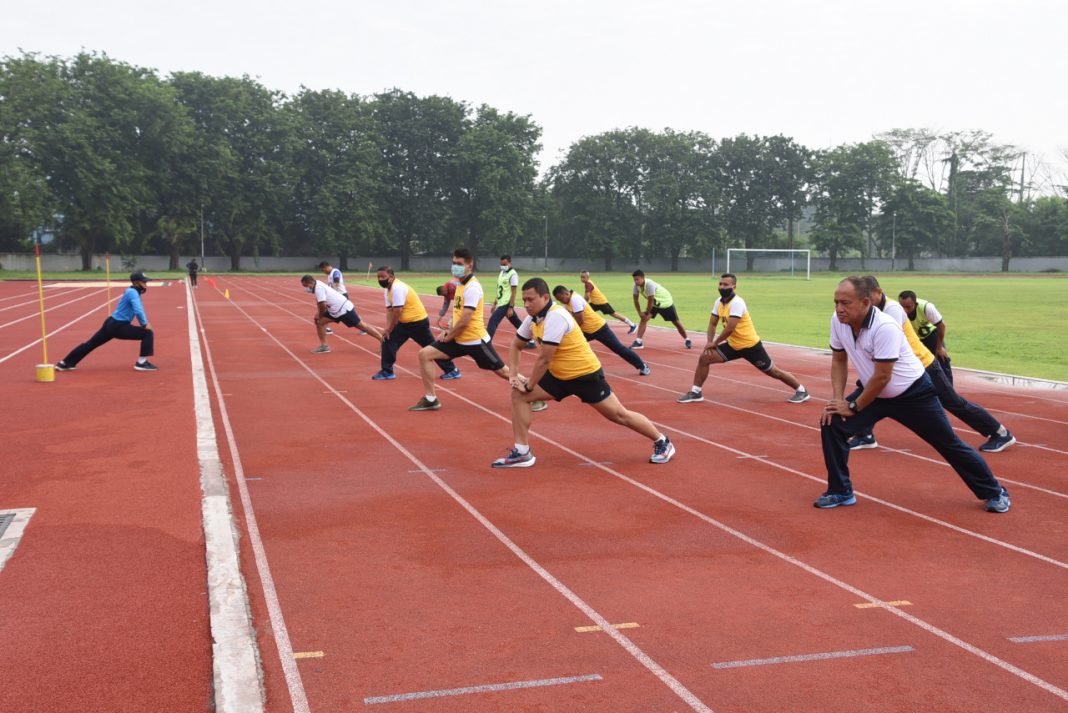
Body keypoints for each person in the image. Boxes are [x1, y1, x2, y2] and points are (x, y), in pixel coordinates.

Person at [815, 276, 1010, 513]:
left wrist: (853, 407)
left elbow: (882, 376)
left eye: (845, 303)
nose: (839, 308)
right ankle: (840, 491)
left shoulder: (885, 326)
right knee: (832, 422)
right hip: (874, 393)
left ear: (866, 302)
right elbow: (838, 359)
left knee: (949, 444)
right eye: (835, 302)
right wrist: (838, 399)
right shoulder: (838, 321)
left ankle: (995, 491)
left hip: (912, 393)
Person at [492, 278, 675, 468]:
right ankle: (522, 452)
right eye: (524, 300)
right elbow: (516, 345)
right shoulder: (533, 319)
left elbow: (544, 359)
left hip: (585, 375)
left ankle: (662, 441)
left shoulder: (556, 316)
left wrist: (529, 385)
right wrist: (513, 375)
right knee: (519, 396)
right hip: (559, 376)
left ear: (545, 298)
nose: (527, 304)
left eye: (531, 299)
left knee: (619, 415)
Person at [846, 277, 1015, 453]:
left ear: (879, 292)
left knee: (952, 402)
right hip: (900, 367)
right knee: (870, 391)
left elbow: (889, 345)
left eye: (868, 296)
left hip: (922, 365)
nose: (864, 301)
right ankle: (864, 434)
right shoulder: (871, 310)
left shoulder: (892, 309)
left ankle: (1000, 433)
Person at [409, 249, 544, 412]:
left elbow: (465, 319)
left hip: (475, 340)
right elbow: (458, 313)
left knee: (502, 371)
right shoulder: (459, 284)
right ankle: (431, 399)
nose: (455, 267)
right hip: (459, 339)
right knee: (425, 354)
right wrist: (448, 331)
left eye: (459, 264)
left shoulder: (473, 287)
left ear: (469, 266)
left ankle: (536, 395)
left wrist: (449, 335)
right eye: (453, 263)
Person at [677, 273, 810, 404]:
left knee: (773, 371)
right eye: (720, 284)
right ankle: (696, 392)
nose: (722, 287)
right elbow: (712, 323)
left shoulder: (737, 303)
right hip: (733, 345)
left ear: (734, 286)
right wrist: (709, 342)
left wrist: (715, 343)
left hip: (750, 346)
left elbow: (730, 328)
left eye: (726, 284)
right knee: (704, 358)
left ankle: (801, 390)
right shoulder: (718, 302)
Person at [55, 271, 159, 372]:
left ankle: (65, 363)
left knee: (91, 344)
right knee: (147, 333)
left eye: (146, 282)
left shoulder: (130, 291)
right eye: (144, 282)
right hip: (119, 326)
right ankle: (141, 363)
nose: (146, 284)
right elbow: (138, 310)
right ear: (136, 282)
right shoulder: (133, 293)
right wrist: (144, 324)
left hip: (110, 323)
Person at [372, 266, 460, 381]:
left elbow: (397, 311)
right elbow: (389, 310)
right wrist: (387, 329)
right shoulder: (387, 290)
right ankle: (387, 371)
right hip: (404, 323)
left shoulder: (397, 288)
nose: (380, 279)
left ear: (391, 277)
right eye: (378, 277)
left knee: (432, 347)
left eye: (383, 276)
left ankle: (452, 370)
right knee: (388, 340)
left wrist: (389, 329)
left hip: (418, 323)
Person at [551, 285, 650, 376]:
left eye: (561, 298)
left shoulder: (574, 299)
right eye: (559, 300)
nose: (561, 301)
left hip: (599, 328)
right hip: (587, 331)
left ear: (566, 293)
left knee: (619, 349)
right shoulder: (567, 303)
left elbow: (580, 321)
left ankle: (642, 366)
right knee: (569, 345)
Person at [301, 274, 382, 353]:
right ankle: (324, 346)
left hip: (343, 309)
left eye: (307, 286)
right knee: (319, 322)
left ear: (311, 282)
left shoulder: (318, 288)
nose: (307, 289)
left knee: (362, 326)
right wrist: (319, 315)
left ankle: (383, 340)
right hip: (334, 310)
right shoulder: (316, 283)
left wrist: (319, 314)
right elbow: (321, 305)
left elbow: (322, 304)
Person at [898, 290, 952, 383]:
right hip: (915, 340)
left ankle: (950, 389)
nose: (905, 310)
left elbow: (941, 326)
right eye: (902, 307)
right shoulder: (896, 310)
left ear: (915, 303)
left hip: (931, 336)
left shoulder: (926, 307)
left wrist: (939, 347)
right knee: (918, 364)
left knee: (942, 359)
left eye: (908, 307)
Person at [630, 270, 691, 350]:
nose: (636, 282)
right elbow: (635, 300)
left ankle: (687, 339)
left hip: (665, 303)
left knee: (676, 322)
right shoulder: (636, 286)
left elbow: (650, 301)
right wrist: (639, 313)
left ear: (643, 278)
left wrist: (647, 312)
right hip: (655, 305)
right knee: (643, 319)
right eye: (634, 280)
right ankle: (639, 342)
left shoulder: (649, 284)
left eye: (637, 279)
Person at [486, 255, 536, 348]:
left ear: (510, 263)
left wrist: (511, 307)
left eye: (504, 264)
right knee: (516, 322)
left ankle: (486, 343)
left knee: (493, 321)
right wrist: (494, 303)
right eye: (501, 264)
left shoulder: (513, 274)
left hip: (506, 304)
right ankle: (531, 340)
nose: (503, 266)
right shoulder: (501, 273)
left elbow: (514, 292)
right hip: (501, 302)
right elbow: (500, 290)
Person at [318, 261, 348, 335]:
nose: (323, 272)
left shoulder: (335, 272)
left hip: (340, 295)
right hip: (337, 296)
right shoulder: (330, 274)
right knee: (328, 311)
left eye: (323, 270)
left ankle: (327, 328)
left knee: (347, 312)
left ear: (326, 267)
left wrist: (332, 293)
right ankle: (327, 328)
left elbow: (336, 282)